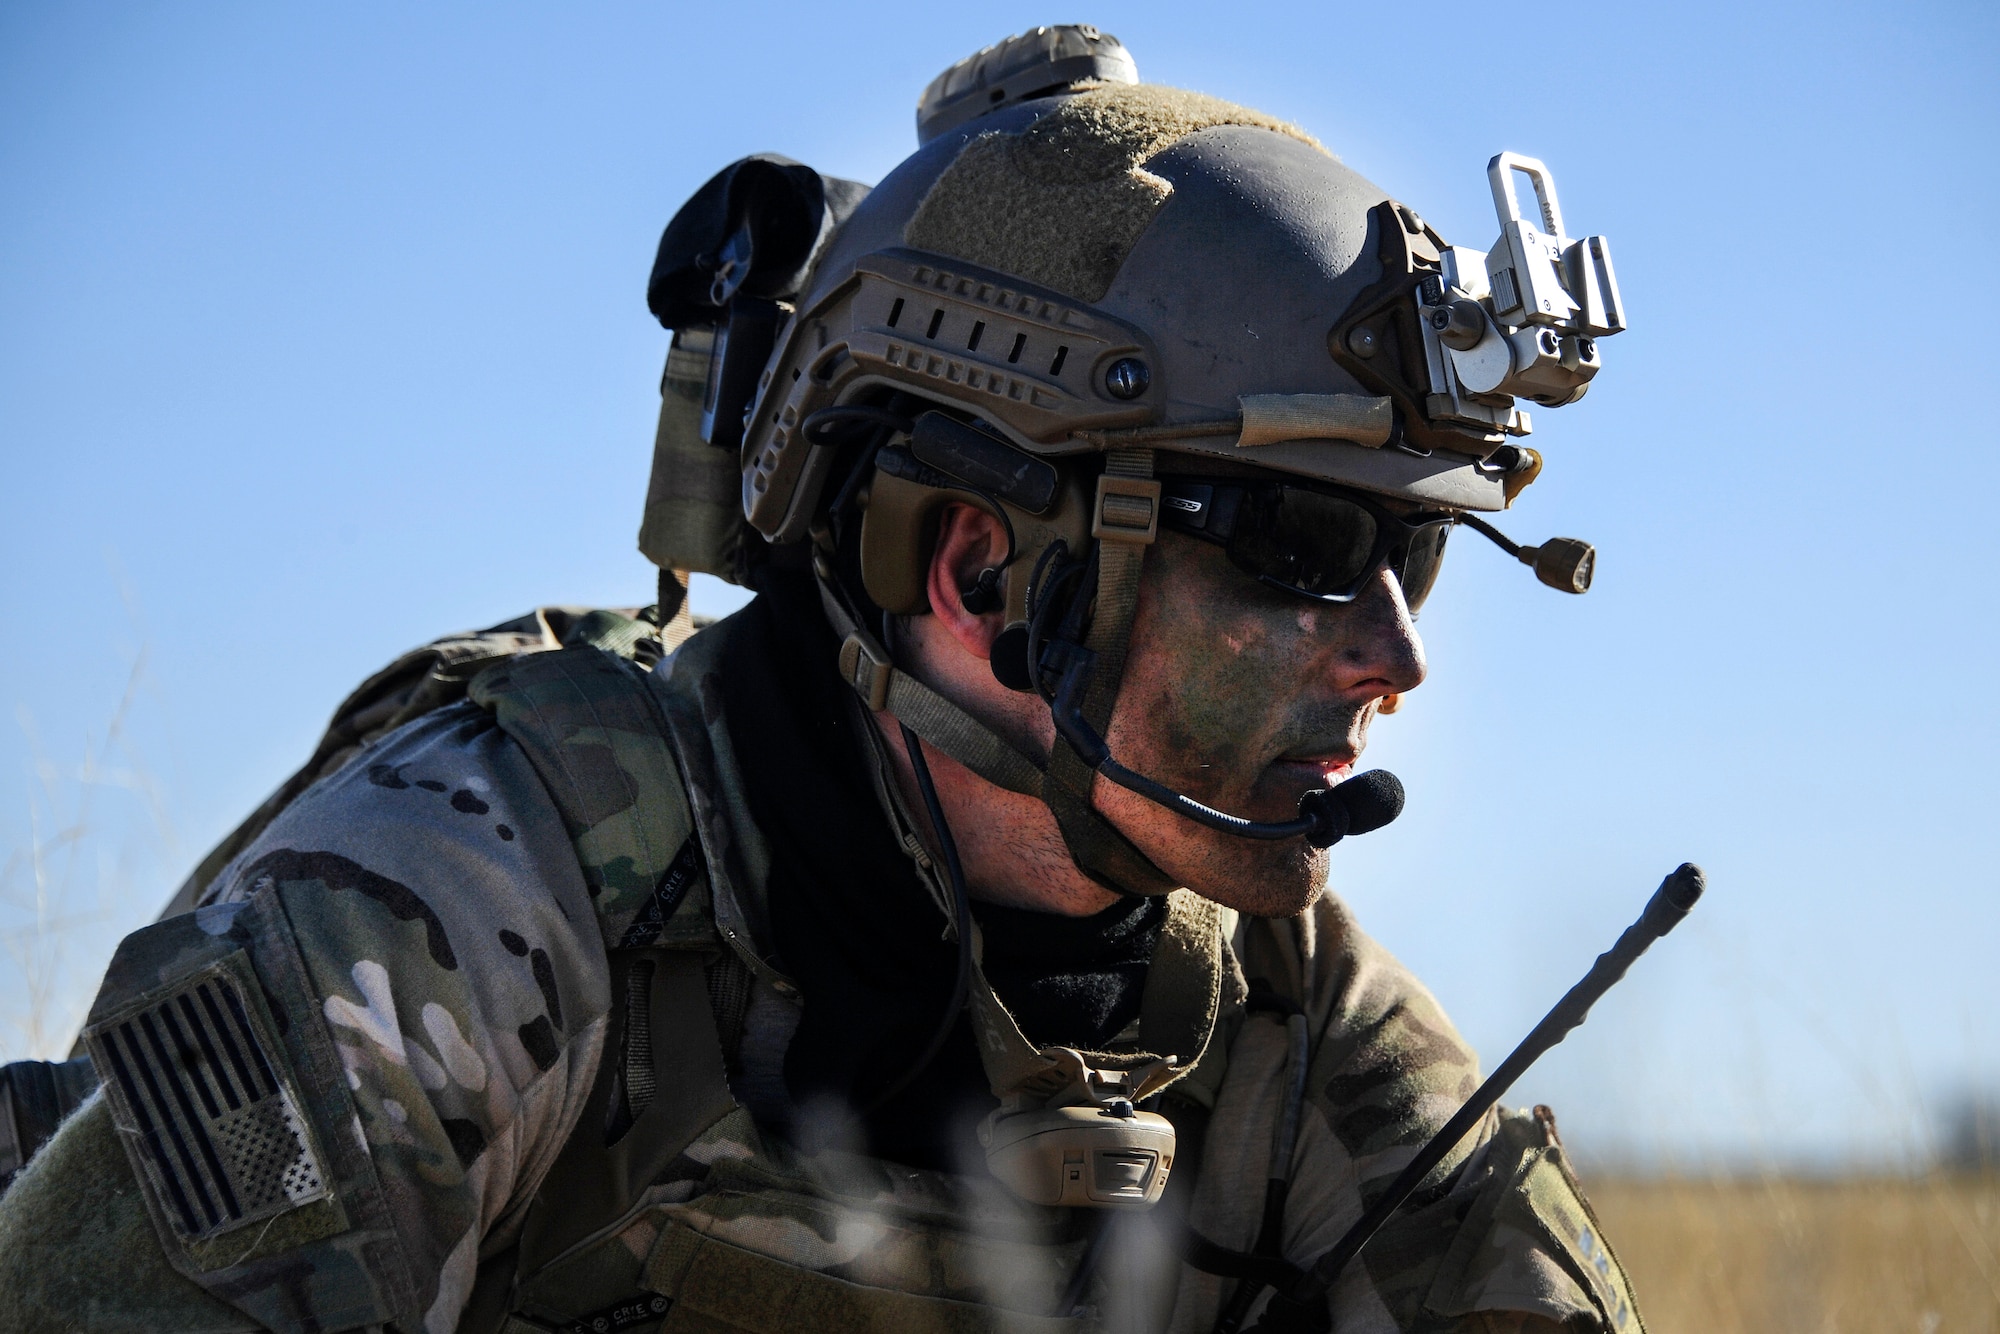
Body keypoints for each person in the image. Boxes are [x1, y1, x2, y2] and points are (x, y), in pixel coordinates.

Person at [0, 25, 1644, 1334]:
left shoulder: (1300, 1023)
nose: (1395, 653)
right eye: (1296, 543)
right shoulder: (462, 903)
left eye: (1412, 556)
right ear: (981, 568)